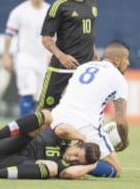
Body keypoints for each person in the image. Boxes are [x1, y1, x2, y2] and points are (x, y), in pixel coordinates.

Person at [50, 40, 130, 177]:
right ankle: (70, 166)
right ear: (117, 60)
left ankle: (59, 161)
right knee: (116, 170)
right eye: (126, 59)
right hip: (86, 125)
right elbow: (121, 121)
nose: (128, 63)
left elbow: (64, 93)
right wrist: (124, 141)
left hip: (56, 117)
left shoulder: (84, 67)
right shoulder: (119, 79)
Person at [39, 0, 98, 110]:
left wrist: (94, 52)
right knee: (44, 113)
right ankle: (11, 133)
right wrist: (61, 56)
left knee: (80, 111)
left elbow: (88, 31)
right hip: (61, 69)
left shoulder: (92, 0)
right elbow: (46, 39)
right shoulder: (59, 6)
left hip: (84, 70)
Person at [0, 110, 100, 180]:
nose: (72, 159)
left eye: (78, 161)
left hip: (9, 164)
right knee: (47, 116)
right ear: (78, 144)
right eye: (76, 154)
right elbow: (64, 129)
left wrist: (92, 165)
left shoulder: (63, 167)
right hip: (5, 147)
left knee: (52, 168)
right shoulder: (63, 138)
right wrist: (82, 136)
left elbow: (69, 174)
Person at [2, 0, 51, 116]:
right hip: (25, 58)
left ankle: (37, 132)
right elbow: (9, 35)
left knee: (40, 98)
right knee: (27, 92)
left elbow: (56, 36)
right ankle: (24, 132)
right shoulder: (19, 11)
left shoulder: (50, 11)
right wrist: (6, 56)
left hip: (43, 59)